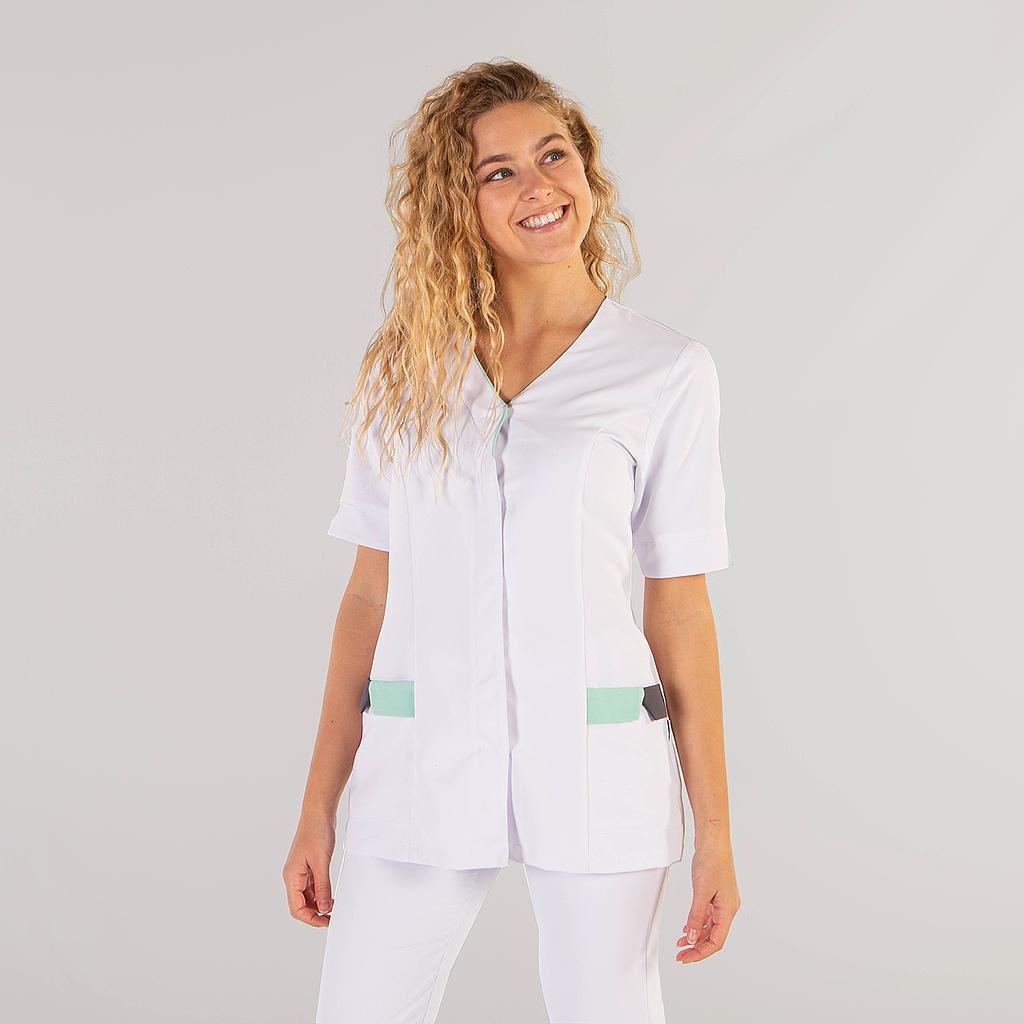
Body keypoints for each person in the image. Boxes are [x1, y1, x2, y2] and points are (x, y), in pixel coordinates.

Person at [283, 59, 741, 1024]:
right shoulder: (405, 373)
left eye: (554, 155)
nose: (539, 185)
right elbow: (368, 595)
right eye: (499, 171)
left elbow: (679, 605)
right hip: (418, 764)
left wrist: (717, 835)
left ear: (588, 172)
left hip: (598, 764)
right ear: (460, 205)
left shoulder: (663, 371)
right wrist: (318, 806)